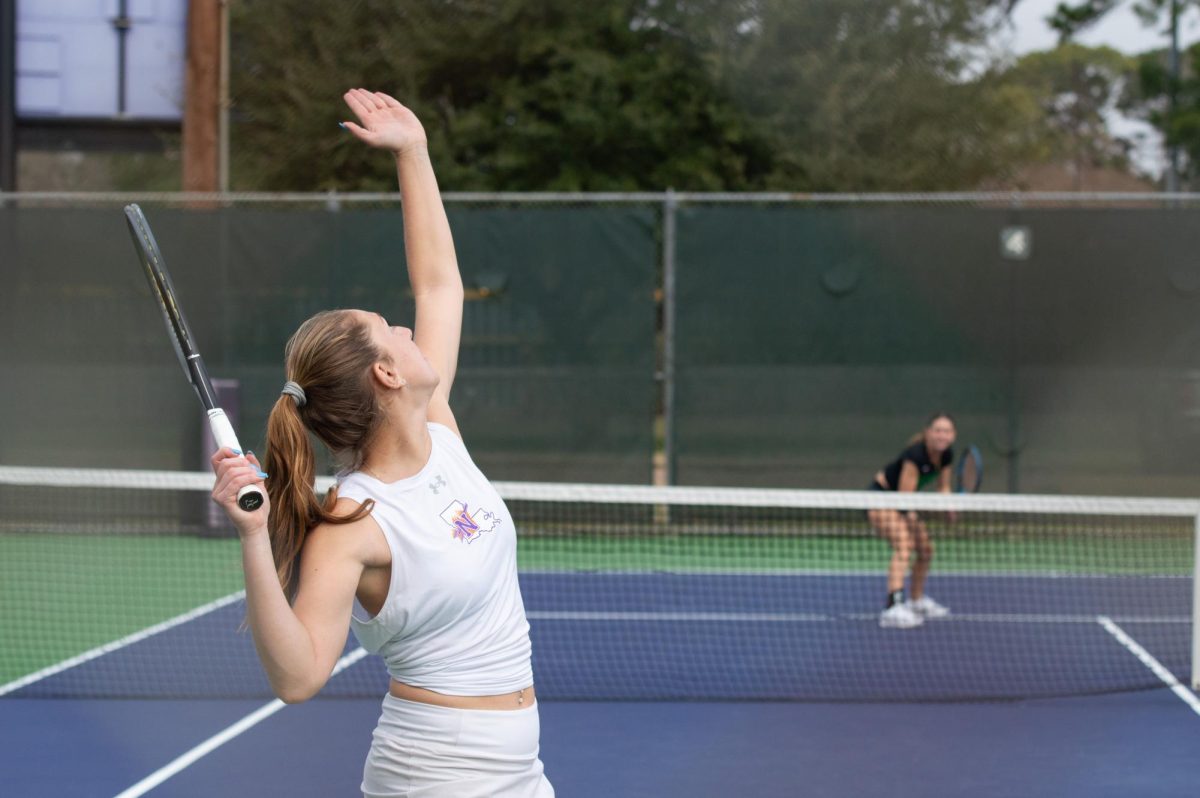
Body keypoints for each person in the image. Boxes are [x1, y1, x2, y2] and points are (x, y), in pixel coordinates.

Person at [210, 88, 553, 798]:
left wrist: (414, 153)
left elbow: (440, 286)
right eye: (390, 327)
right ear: (388, 372)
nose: (407, 327)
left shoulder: (440, 437)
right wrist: (252, 537)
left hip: (520, 770)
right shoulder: (351, 524)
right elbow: (300, 677)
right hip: (433, 774)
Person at [867, 413, 956, 630]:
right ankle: (892, 607)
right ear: (927, 433)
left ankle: (916, 601)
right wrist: (913, 517)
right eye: (937, 430)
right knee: (904, 546)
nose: (941, 435)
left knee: (926, 550)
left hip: (903, 502)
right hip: (882, 499)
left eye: (946, 431)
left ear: (953, 435)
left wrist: (949, 506)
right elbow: (904, 499)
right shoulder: (915, 456)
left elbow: (943, 487)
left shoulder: (946, 456)